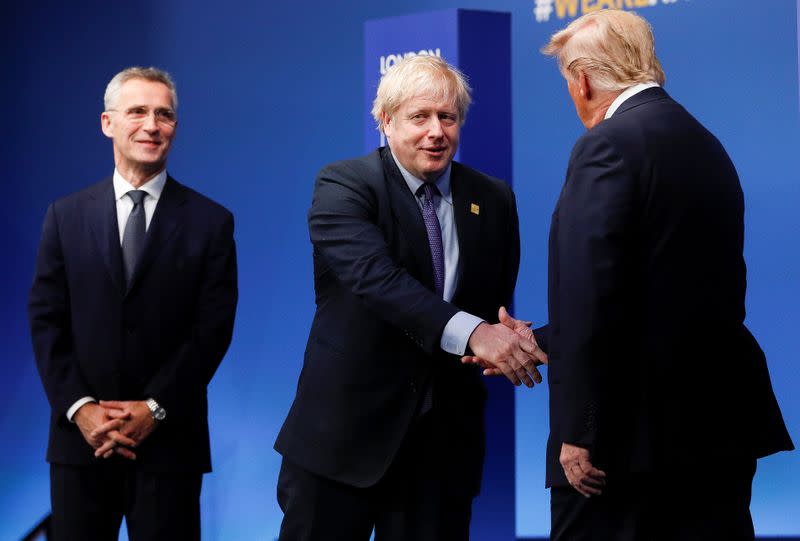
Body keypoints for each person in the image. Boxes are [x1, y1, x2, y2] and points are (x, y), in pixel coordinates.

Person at [480, 9, 794, 540]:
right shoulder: (705, 142)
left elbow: (589, 293)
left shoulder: (606, 145)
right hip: (716, 429)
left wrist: (579, 432)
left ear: (582, 79)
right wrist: (539, 340)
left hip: (626, 445)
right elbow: (666, 297)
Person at [274, 55, 546, 540]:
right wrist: (475, 333)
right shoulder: (345, 184)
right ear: (385, 121)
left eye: (448, 117)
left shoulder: (494, 197)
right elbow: (376, 280)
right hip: (344, 441)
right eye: (419, 117)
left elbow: (491, 304)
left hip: (441, 449)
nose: (435, 132)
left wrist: (507, 334)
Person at [28, 66, 238, 541]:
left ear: (175, 128)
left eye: (164, 115)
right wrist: (81, 409)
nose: (152, 125)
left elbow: (212, 331)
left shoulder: (211, 222)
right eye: (138, 111)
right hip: (81, 445)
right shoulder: (65, 216)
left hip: (169, 445)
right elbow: (46, 321)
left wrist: (155, 407)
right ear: (108, 123)